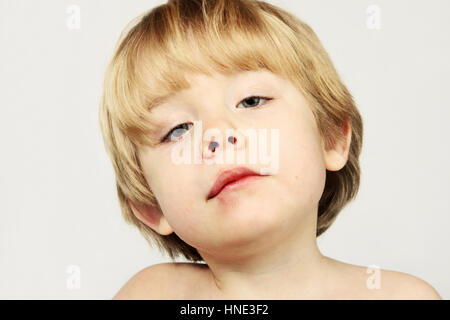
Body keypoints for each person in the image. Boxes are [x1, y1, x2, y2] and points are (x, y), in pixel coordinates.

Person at [98, 0, 442, 299]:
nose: (216, 135)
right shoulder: (154, 295)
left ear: (331, 138)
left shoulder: (398, 296)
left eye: (251, 100)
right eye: (177, 130)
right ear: (150, 205)